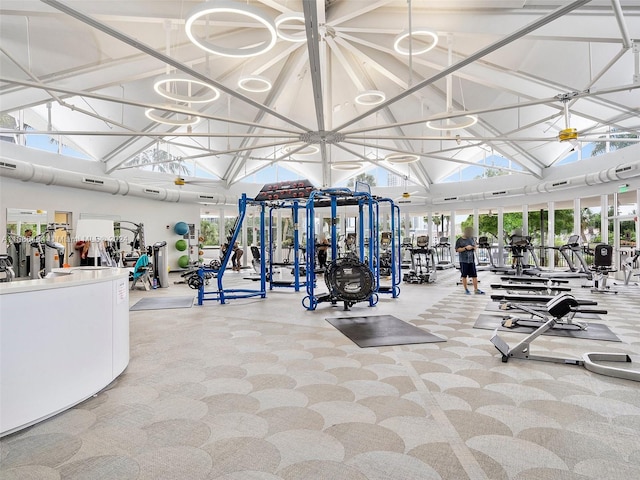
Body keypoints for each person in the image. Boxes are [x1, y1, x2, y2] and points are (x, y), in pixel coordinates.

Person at [455, 227, 484, 295]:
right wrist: (465, 248)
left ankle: (476, 289)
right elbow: (457, 250)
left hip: (471, 260)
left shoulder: (471, 239)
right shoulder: (459, 240)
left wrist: (473, 247)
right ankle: (466, 290)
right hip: (463, 260)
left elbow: (475, 247)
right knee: (464, 275)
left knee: (474, 275)